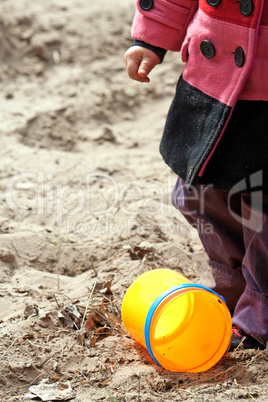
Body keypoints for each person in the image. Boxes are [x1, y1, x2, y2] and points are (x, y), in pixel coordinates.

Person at [125, 0, 268, 351]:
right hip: (213, 80)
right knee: (197, 194)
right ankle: (235, 292)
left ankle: (258, 317)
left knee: (262, 211)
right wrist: (152, 37)